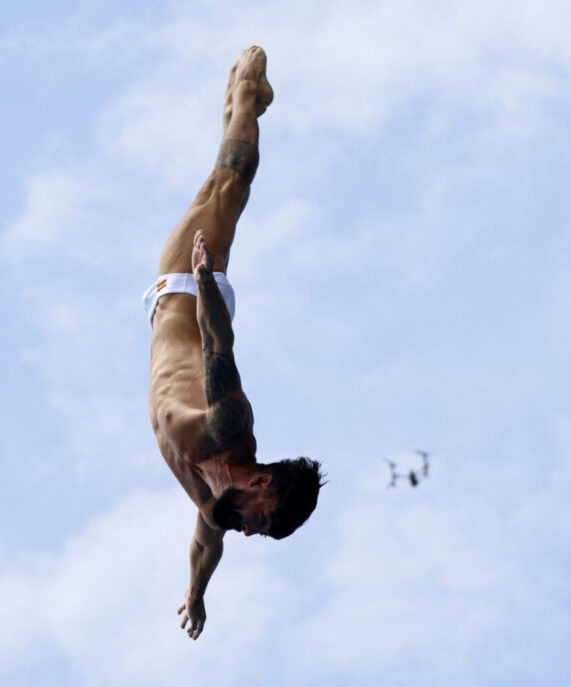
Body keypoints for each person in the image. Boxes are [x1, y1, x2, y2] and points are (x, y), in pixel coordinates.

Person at [143, 46, 325, 640]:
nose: (247, 530)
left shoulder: (212, 504)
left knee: (215, 186)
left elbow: (205, 549)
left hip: (172, 308)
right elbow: (219, 345)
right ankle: (249, 87)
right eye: (261, 520)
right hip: (189, 296)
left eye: (256, 533)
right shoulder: (229, 429)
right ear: (263, 483)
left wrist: (196, 596)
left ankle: (241, 103)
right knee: (228, 183)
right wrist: (202, 281)